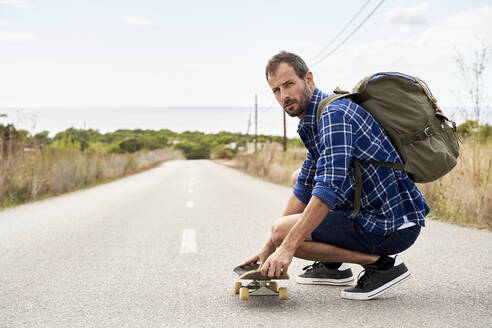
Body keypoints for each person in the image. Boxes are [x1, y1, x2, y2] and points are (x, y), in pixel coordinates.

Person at [240, 51, 430, 300]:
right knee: (299, 178)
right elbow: (306, 185)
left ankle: (382, 265)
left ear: (308, 79)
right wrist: (267, 250)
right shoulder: (316, 118)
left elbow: (328, 189)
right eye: (276, 90)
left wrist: (286, 246)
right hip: (376, 213)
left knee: (283, 231)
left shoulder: (334, 116)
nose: (284, 96)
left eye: (289, 84)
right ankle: (333, 266)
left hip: (390, 225)